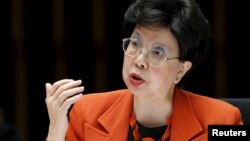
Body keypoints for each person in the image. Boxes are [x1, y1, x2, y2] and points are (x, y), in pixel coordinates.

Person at [45, 0, 243, 140]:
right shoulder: (87, 112)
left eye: (157, 52)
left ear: (181, 70)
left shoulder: (223, 121)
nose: (139, 60)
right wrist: (55, 132)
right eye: (135, 43)